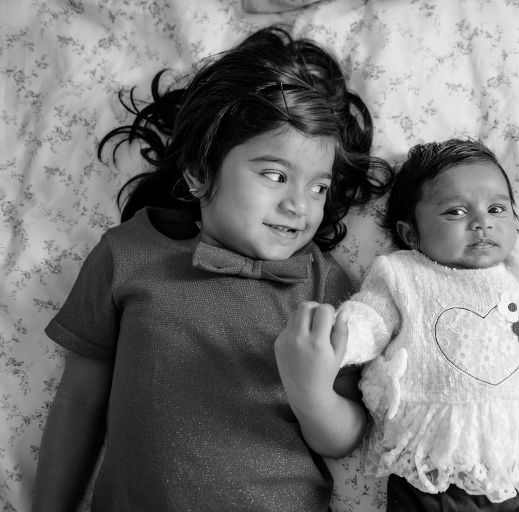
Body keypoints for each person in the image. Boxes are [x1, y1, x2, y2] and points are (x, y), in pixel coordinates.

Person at [32, 26, 392, 512]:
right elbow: (79, 398)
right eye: (275, 175)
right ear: (200, 171)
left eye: (318, 187)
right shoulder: (129, 255)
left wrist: (312, 396)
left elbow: (346, 437)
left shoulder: (325, 285)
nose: (298, 206)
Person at [331, 139, 519, 511]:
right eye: (456, 212)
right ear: (411, 234)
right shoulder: (402, 274)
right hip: (430, 461)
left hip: (510, 459)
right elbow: (372, 318)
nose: (482, 222)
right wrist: (336, 340)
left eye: (496, 208)